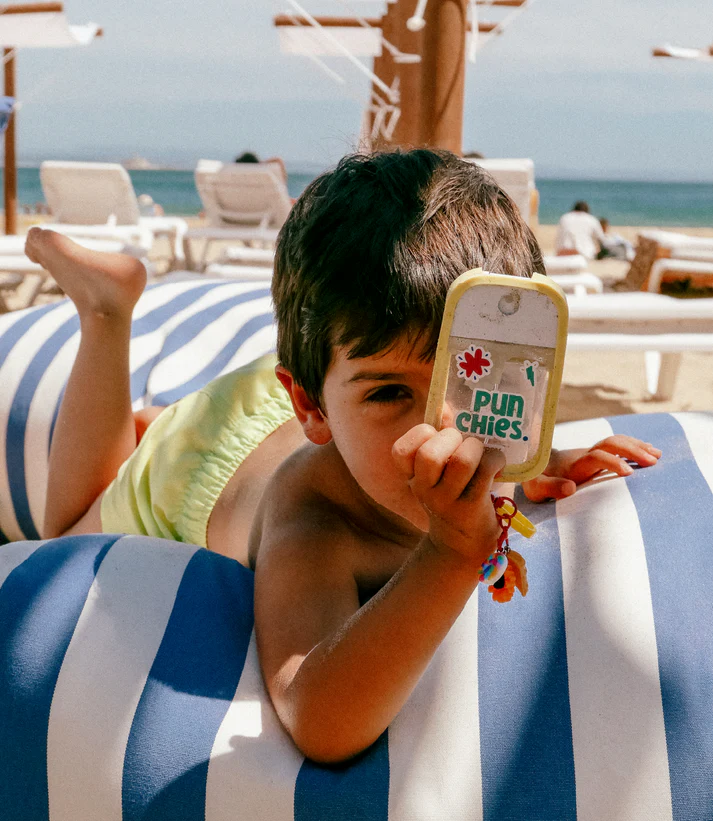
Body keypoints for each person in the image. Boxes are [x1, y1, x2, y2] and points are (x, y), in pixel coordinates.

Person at [24, 149, 661, 764]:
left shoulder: (380, 395)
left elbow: (451, 399)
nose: (443, 428)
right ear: (312, 405)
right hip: (198, 469)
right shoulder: (315, 526)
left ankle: (163, 413)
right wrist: (450, 553)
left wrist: (535, 457)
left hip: (316, 409)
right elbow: (319, 718)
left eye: (476, 383)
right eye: (392, 393)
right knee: (66, 534)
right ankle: (106, 311)